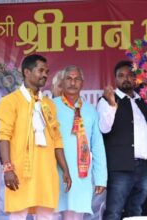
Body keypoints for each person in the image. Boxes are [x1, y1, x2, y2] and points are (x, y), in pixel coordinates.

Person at [0, 54, 71, 220]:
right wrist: (8, 168)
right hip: (20, 170)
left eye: (47, 71)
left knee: (46, 215)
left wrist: (65, 169)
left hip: (46, 171)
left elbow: (57, 139)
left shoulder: (49, 104)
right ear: (27, 72)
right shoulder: (10, 101)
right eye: (41, 70)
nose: (45, 74)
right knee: (18, 213)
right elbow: (3, 137)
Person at [97, 60, 147, 220]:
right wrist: (111, 104)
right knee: (114, 212)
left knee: (135, 212)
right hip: (120, 168)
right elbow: (104, 128)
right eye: (121, 76)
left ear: (136, 78)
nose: (126, 79)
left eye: (130, 75)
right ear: (115, 79)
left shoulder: (142, 102)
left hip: (143, 167)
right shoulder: (107, 99)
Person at [54, 65, 107, 219]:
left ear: (82, 83)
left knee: (75, 216)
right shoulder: (50, 106)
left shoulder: (90, 110)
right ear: (62, 83)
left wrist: (100, 178)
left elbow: (97, 146)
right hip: (54, 173)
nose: (72, 82)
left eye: (77, 79)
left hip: (80, 176)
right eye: (69, 79)